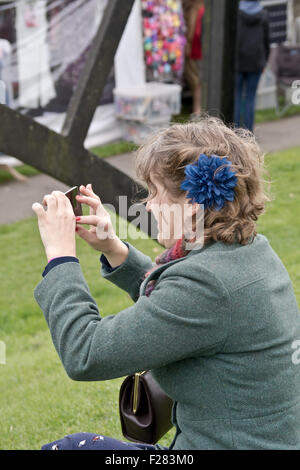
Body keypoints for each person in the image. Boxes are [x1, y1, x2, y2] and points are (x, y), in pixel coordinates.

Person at [32, 116, 300, 450]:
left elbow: (85, 353)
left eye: (156, 192)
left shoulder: (207, 285)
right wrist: (114, 249)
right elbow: (176, 304)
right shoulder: (248, 252)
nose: (148, 204)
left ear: (191, 206)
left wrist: (60, 257)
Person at [234, 0, 270, 132]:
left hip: (238, 61)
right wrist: (264, 61)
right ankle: (248, 133)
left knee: (236, 97)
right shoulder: (264, 15)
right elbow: (266, 41)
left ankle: (235, 132)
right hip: (256, 62)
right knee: (250, 97)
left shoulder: (236, 13)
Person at [182, 0, 205, 116]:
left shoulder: (194, 8)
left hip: (195, 50)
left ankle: (197, 110)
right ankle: (198, 109)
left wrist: (188, 45)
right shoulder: (199, 7)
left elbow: (193, 31)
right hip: (197, 49)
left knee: (196, 81)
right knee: (197, 80)